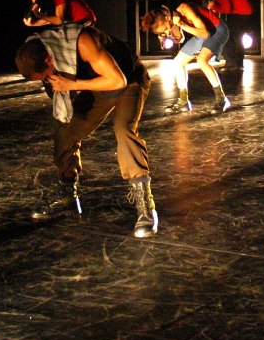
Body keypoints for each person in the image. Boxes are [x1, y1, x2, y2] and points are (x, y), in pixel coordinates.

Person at [14, 23, 158, 237]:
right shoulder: (43, 48)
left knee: (123, 129)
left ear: (49, 60)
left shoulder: (83, 42)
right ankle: (67, 195)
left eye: (45, 75)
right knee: (65, 130)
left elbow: (117, 80)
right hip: (100, 85)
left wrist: (72, 85)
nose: (46, 80)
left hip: (129, 79)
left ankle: (145, 204)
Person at [140, 2, 233, 114]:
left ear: (167, 18)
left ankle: (222, 99)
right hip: (202, 34)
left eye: (165, 29)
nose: (166, 32)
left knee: (202, 60)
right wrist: (166, 35)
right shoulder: (172, 19)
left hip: (217, 30)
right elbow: (182, 38)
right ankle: (183, 101)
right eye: (162, 32)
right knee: (178, 62)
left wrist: (182, 24)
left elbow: (206, 33)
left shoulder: (185, 9)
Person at [23, 0, 97, 27]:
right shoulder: (49, 1)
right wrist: (32, 24)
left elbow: (59, 20)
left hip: (85, 19)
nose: (33, 1)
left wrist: (38, 14)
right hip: (75, 22)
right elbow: (50, 20)